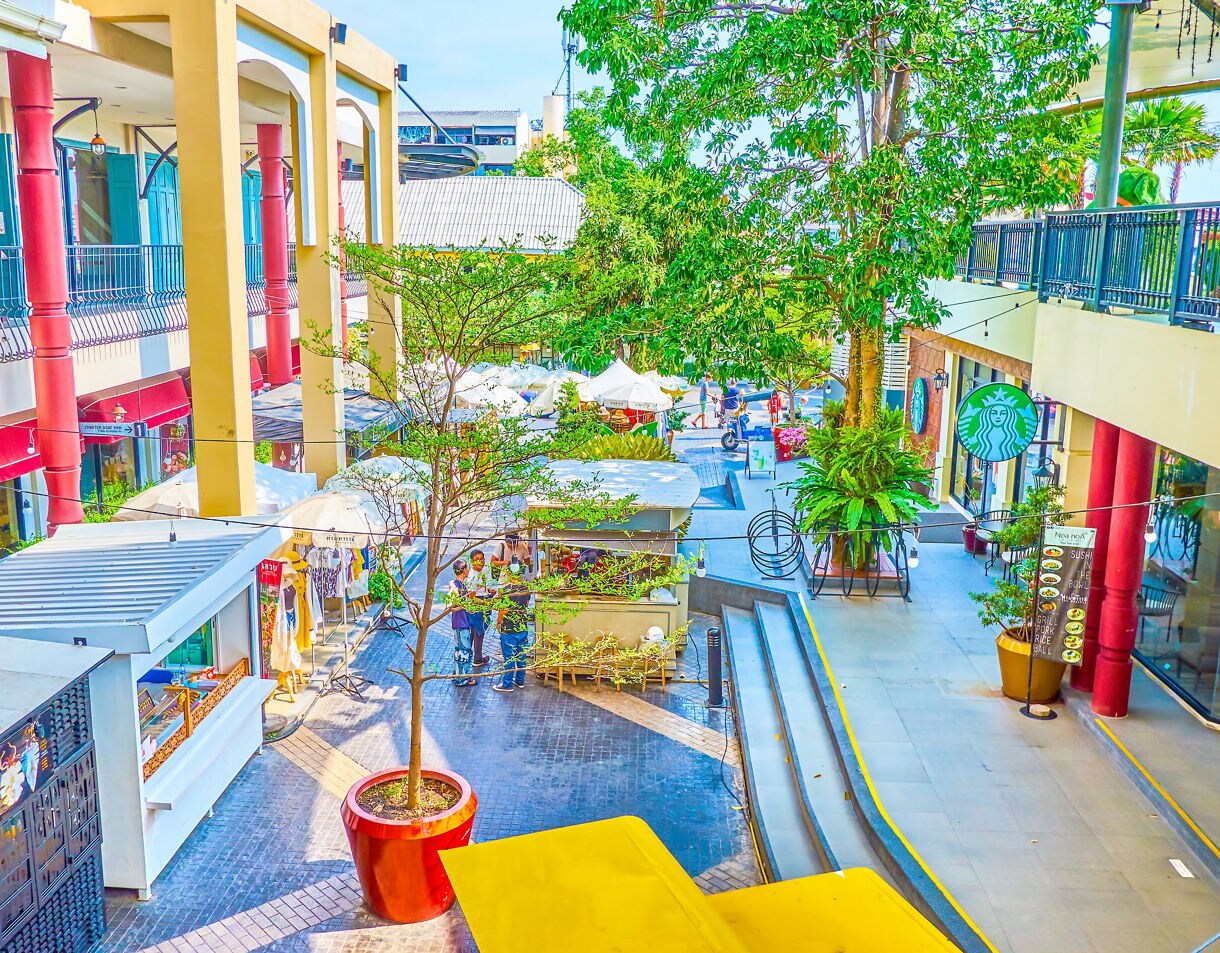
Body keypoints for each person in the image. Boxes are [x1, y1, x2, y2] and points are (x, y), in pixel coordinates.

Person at [493, 578, 532, 693]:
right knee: (521, 655)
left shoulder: (506, 590)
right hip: (522, 627)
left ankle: (507, 683)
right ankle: (520, 680)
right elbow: (526, 605)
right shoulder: (525, 589)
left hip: (509, 629)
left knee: (509, 657)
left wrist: (498, 622)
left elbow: (503, 610)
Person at [446, 559, 476, 687]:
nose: (468, 570)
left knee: (463, 650)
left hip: (464, 622)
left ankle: (459, 673)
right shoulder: (455, 587)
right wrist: (464, 604)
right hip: (460, 623)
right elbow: (449, 607)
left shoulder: (461, 585)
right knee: (464, 650)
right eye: (467, 568)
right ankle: (461, 678)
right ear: (463, 570)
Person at [468, 549, 495, 667]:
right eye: (477, 560)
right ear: (472, 562)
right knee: (479, 631)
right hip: (479, 606)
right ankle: (477, 658)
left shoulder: (482, 572)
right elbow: (471, 597)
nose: (480, 562)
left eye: (482, 558)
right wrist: (486, 603)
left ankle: (471, 653)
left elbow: (484, 587)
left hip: (484, 601)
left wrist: (489, 591)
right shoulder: (472, 577)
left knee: (475, 631)